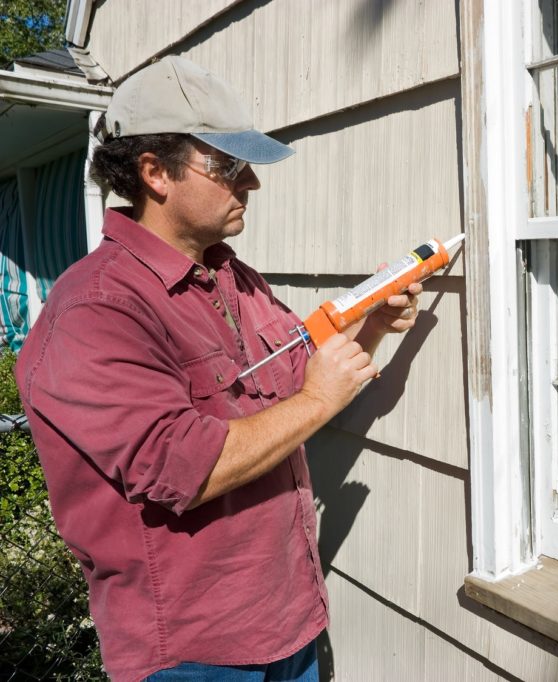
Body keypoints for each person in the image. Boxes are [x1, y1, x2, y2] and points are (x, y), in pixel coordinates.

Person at [14, 56, 420, 681]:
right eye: (229, 166)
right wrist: (319, 402)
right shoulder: (95, 310)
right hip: (195, 652)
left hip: (289, 622)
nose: (250, 182)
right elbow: (185, 468)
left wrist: (369, 327)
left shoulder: (231, 278)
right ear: (155, 174)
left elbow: (294, 378)